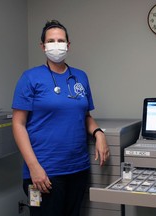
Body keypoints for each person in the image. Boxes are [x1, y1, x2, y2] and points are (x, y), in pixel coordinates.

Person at [12, 20, 110, 216]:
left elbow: (85, 116)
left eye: (60, 40)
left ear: (68, 45)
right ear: (42, 46)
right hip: (44, 172)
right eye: (51, 41)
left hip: (78, 169)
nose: (56, 45)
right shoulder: (30, 78)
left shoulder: (80, 77)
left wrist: (99, 134)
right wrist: (34, 168)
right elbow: (18, 124)